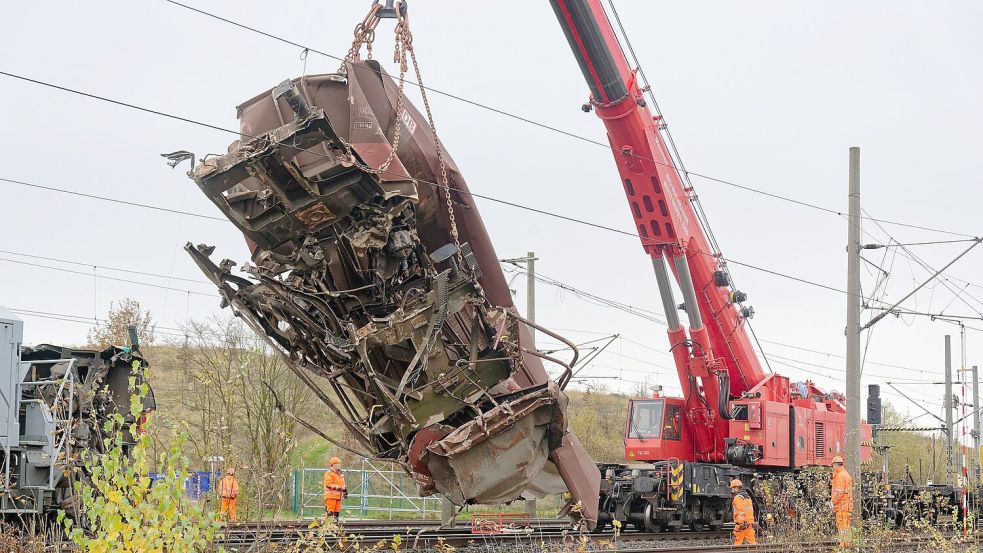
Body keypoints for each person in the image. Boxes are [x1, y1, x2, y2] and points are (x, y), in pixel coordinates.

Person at [830, 455, 853, 547]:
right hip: (846, 505)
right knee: (846, 524)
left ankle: (843, 544)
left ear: (836, 464)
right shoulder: (846, 474)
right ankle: (847, 543)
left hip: (841, 505)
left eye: (833, 465)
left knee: (842, 524)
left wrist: (832, 502)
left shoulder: (840, 476)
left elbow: (839, 493)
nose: (832, 467)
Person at [730, 478, 756, 545]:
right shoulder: (747, 497)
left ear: (737, 488)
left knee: (738, 543)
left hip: (742, 524)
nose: (732, 491)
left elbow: (741, 512)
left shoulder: (738, 498)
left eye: (733, 488)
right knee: (752, 543)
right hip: (749, 523)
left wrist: (740, 524)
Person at [323, 456, 347, 521]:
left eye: (339, 463)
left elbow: (343, 484)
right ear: (333, 465)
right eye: (337, 464)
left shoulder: (340, 474)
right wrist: (340, 488)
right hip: (331, 497)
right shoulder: (329, 473)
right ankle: (328, 527)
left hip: (338, 497)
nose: (339, 465)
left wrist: (344, 492)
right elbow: (328, 485)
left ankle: (334, 527)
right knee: (330, 513)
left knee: (336, 513)